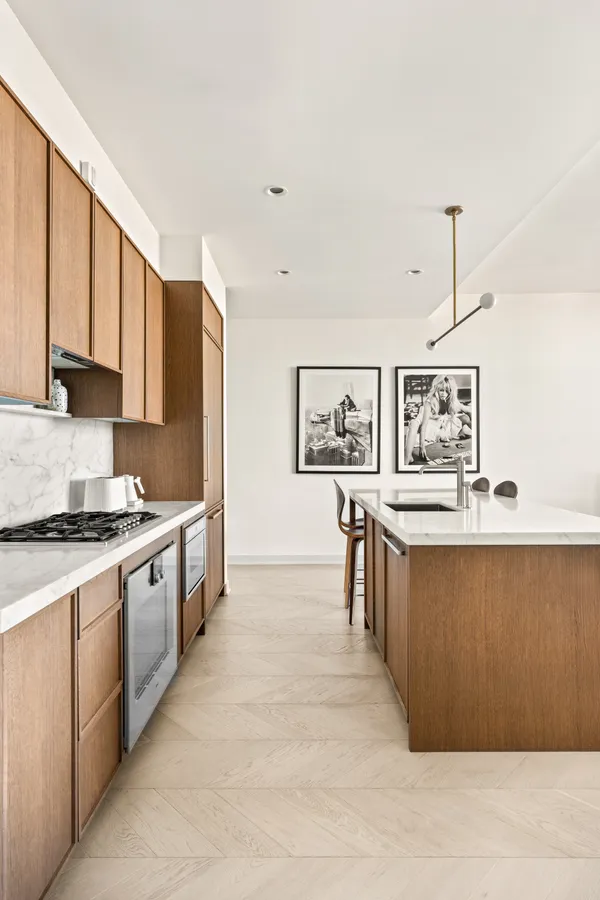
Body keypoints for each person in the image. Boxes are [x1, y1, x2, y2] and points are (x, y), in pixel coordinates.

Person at [404, 374, 471, 465]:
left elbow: (467, 410)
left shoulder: (452, 400)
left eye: (447, 391)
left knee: (466, 418)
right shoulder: (429, 402)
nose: (444, 394)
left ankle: (462, 431)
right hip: (424, 421)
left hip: (440, 423)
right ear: (436, 389)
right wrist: (422, 447)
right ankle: (407, 457)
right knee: (413, 424)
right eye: (441, 390)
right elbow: (424, 426)